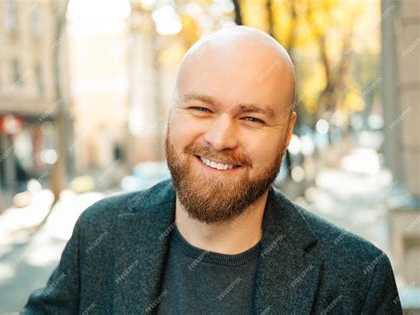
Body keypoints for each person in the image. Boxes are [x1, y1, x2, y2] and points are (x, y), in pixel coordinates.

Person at [23, 26, 401, 314]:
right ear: (170, 113)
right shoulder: (99, 234)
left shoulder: (359, 280)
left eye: (251, 118)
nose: (221, 139)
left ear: (287, 133)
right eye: (201, 109)